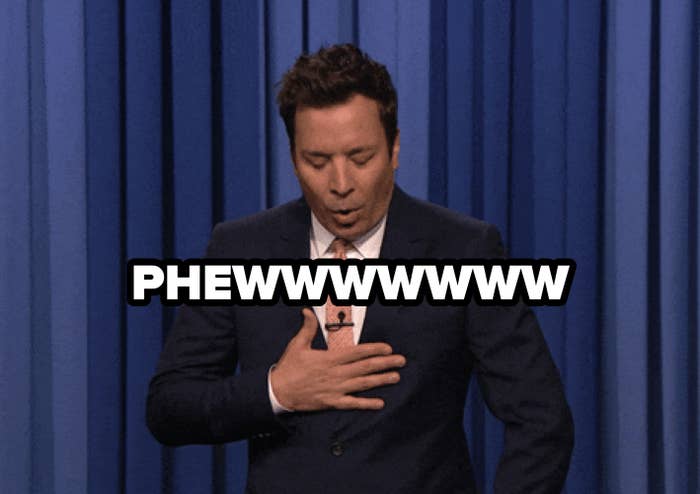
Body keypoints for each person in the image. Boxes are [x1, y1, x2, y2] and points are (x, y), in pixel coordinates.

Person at [147, 44, 573, 493]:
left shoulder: (465, 250)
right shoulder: (239, 249)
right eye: (318, 162)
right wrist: (276, 391)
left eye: (360, 158)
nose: (341, 184)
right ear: (293, 158)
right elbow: (169, 407)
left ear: (394, 148)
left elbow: (542, 420)